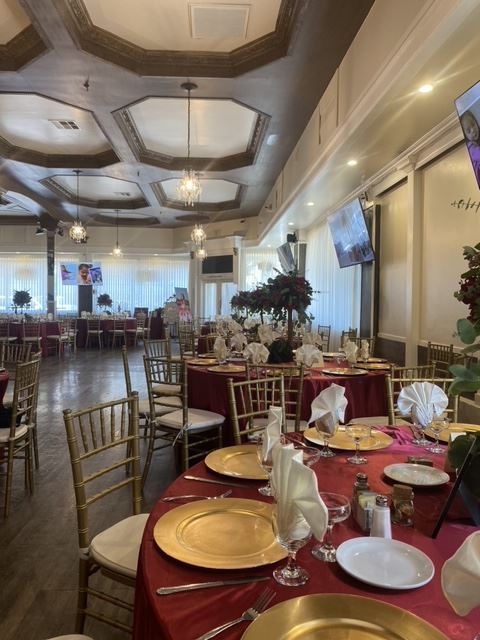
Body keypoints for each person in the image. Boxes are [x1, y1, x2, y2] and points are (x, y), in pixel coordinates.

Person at [460, 110, 480, 184]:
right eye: (468, 131)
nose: (473, 130)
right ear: (465, 135)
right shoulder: (470, 148)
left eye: (473, 124)